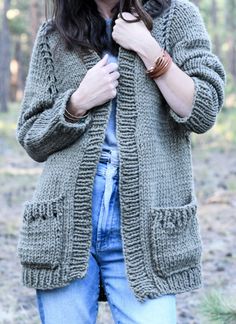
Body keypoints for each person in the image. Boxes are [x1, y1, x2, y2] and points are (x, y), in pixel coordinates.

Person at [15, 0, 226, 323]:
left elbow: (203, 110)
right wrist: (76, 104)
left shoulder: (178, 16)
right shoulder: (54, 35)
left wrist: (149, 49)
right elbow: (32, 135)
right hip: (67, 222)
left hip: (145, 221)